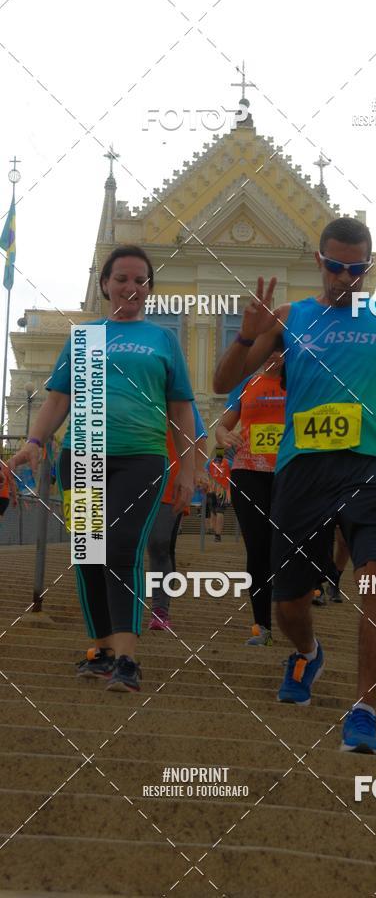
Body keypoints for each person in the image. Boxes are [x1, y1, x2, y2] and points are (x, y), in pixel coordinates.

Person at [213, 217, 376, 754]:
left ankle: (365, 708)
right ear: (319, 262)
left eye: (355, 270)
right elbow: (221, 382)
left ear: (368, 268)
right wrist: (245, 334)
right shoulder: (291, 317)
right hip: (301, 471)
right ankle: (306, 651)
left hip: (366, 465)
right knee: (289, 601)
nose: (344, 279)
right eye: (335, 267)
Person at [9, 245, 195, 693]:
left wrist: (188, 470)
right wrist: (34, 441)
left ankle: (128, 658)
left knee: (122, 546)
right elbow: (58, 397)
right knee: (89, 553)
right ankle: (101, 650)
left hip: (143, 456)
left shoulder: (162, 339)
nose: (131, 287)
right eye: (122, 279)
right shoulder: (85, 336)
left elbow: (181, 409)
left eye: (140, 280)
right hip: (84, 453)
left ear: (149, 288)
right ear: (105, 285)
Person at [215, 351, 286, 645]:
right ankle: (262, 625)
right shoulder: (247, 383)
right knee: (257, 549)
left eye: (279, 349)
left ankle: (297, 609)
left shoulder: (299, 381)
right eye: (267, 349)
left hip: (290, 473)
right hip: (248, 472)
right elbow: (223, 425)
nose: (273, 355)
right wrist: (222, 435)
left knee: (289, 547)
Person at [147, 403, 207, 631]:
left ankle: (160, 609)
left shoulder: (180, 398)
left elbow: (200, 436)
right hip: (133, 478)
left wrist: (199, 471)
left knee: (159, 543)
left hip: (171, 481)